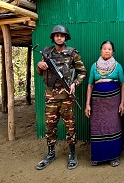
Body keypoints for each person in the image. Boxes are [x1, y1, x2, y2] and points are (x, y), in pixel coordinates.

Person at [35, 24, 87, 170]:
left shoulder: (72, 53)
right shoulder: (46, 52)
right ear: (53, 37)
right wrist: (40, 66)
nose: (59, 37)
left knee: (70, 127)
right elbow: (40, 73)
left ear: (65, 38)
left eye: (62, 35)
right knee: (50, 126)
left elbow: (82, 72)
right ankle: (50, 153)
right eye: (57, 35)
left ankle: (72, 153)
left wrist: (75, 84)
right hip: (51, 96)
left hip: (66, 96)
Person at [85, 41, 124, 167]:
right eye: (104, 48)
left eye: (109, 49)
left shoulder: (118, 67)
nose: (107, 51)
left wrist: (122, 103)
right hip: (97, 104)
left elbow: (123, 85)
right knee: (98, 128)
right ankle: (97, 156)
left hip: (113, 104)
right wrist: (87, 104)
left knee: (112, 127)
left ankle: (113, 157)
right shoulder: (94, 66)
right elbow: (90, 85)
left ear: (113, 51)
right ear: (100, 50)